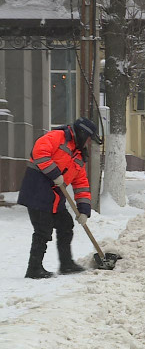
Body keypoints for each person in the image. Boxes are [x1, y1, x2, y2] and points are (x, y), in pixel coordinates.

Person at [18, 117, 103, 279]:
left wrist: (84, 210)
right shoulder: (58, 136)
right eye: (88, 140)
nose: (88, 144)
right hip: (38, 192)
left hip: (55, 198)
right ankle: (34, 268)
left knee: (65, 225)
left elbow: (81, 184)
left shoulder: (78, 155)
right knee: (43, 230)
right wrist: (54, 174)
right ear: (82, 134)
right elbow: (39, 152)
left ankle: (66, 264)